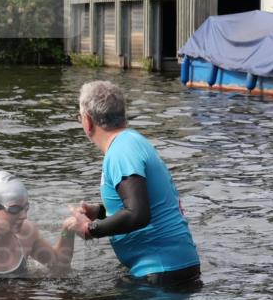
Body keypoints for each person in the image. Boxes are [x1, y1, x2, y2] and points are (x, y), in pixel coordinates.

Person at [68, 81, 200, 287]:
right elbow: (143, 205)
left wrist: (89, 228)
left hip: (161, 271)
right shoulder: (131, 142)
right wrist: (100, 212)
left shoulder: (121, 152)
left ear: (87, 121)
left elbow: (138, 214)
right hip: (170, 267)